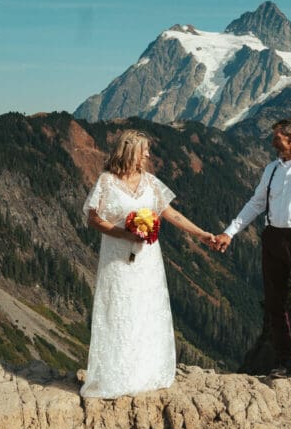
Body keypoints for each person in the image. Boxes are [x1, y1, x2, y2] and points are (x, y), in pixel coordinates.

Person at [81, 129, 215, 399]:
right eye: (144, 149)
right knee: (119, 309)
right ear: (130, 151)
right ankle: (116, 375)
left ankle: (145, 372)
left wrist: (201, 234)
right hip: (117, 255)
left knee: (145, 310)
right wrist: (124, 233)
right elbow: (93, 219)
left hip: (147, 259)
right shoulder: (106, 181)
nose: (148, 154)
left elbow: (171, 213)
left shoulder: (151, 182)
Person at [213, 118, 291, 396]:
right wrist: (229, 233)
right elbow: (256, 203)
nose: (272, 143)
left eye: (277, 138)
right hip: (272, 238)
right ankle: (284, 362)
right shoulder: (271, 169)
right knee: (274, 303)